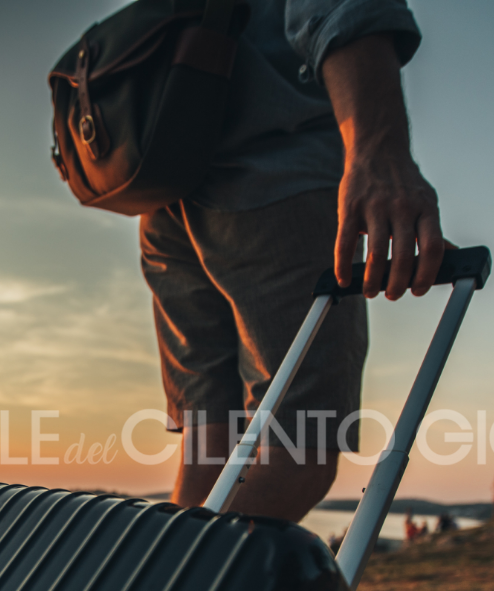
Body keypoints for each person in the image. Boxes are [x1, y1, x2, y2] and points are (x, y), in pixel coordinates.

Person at [144, 0, 443, 521]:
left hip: (167, 188)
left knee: (209, 452)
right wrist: (378, 151)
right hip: (274, 172)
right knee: (297, 456)